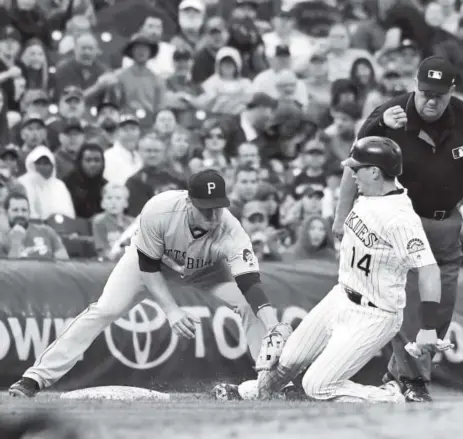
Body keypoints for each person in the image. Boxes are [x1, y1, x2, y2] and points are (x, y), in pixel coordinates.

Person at [9, 169, 290, 397]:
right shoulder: (160, 210)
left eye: (218, 208)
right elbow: (148, 267)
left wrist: (273, 324)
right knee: (106, 309)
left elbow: (250, 283)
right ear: (188, 202)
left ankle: (271, 385)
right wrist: (171, 310)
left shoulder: (230, 229)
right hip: (152, 263)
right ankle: (35, 378)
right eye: (206, 209)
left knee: (249, 306)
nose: (213, 216)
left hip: (207, 270)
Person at [221, 136, 445, 402]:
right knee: (286, 359)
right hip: (340, 297)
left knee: (317, 385)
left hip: (374, 313)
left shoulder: (400, 217)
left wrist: (429, 327)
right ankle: (249, 392)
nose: (351, 173)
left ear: (375, 172)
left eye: (356, 168)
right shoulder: (370, 193)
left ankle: (394, 397)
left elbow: (429, 270)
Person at [332, 56, 463, 402]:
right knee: (407, 305)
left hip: (447, 224)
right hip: (400, 224)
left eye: (439, 94)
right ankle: (413, 382)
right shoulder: (389, 114)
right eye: (425, 93)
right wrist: (341, 219)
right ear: (416, 86)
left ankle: (397, 375)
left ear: (451, 91)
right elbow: (354, 166)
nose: (430, 101)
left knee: (440, 308)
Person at [0, 192, 69, 260]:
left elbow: (64, 264)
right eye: (15, 210)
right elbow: (9, 269)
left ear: (29, 213)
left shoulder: (47, 231)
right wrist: (16, 242)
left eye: (24, 210)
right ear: (6, 213)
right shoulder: (2, 239)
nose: (20, 214)